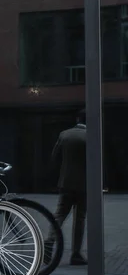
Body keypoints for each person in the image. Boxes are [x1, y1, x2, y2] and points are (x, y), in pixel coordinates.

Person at [47, 109, 87, 266]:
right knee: (80, 218)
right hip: (84, 184)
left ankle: (49, 242)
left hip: (66, 183)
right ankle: (76, 254)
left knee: (60, 214)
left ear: (77, 119)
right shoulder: (92, 135)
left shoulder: (64, 134)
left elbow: (54, 158)